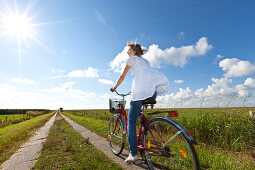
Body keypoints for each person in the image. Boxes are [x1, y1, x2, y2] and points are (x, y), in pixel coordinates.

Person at [110, 42, 169, 163]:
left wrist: (115, 87)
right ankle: (145, 130)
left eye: (129, 50)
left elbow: (122, 76)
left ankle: (133, 154)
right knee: (139, 115)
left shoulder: (131, 60)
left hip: (140, 91)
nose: (127, 52)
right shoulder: (146, 61)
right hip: (152, 91)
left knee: (130, 122)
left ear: (134, 51)